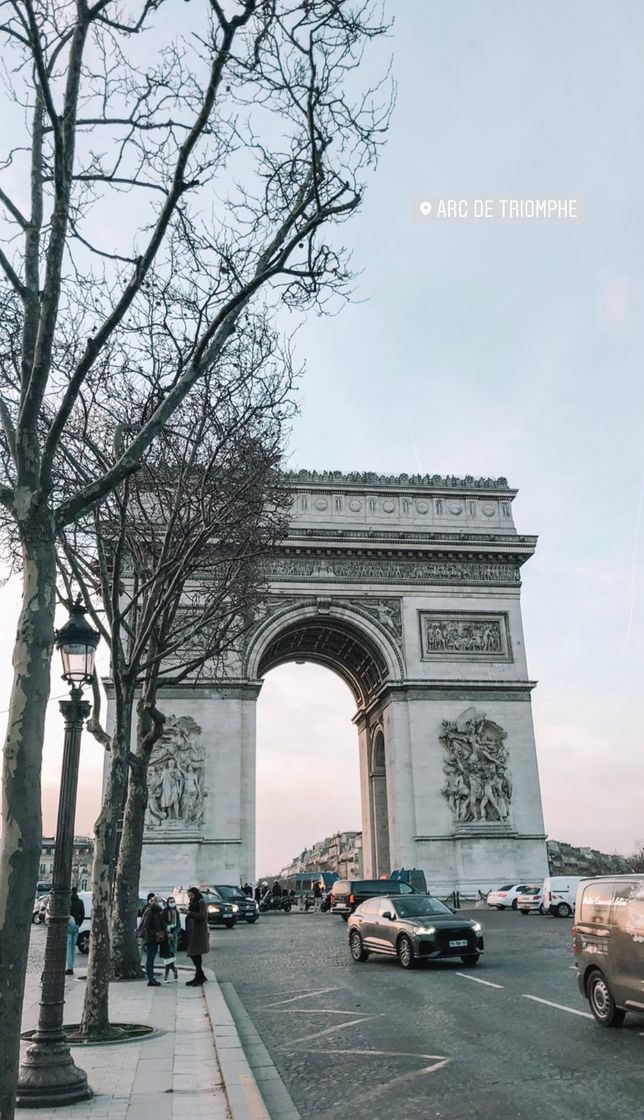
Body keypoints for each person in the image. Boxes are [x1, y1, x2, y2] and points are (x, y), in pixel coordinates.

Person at [139, 894, 166, 987]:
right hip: (151, 938)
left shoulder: (155, 911)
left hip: (153, 938)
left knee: (151, 958)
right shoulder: (151, 911)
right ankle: (150, 979)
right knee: (150, 959)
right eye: (159, 901)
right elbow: (146, 925)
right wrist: (155, 933)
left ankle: (151, 978)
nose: (160, 903)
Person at [185, 887, 209, 986]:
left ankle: (199, 976)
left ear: (196, 894)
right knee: (194, 954)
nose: (190, 897)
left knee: (195, 953)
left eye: (191, 895)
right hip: (193, 932)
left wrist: (189, 913)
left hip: (198, 933)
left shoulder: (201, 902)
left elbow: (202, 916)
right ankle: (200, 975)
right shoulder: (193, 902)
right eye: (189, 895)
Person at [160, 897, 181, 983]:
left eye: (174, 901)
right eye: (171, 902)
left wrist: (174, 933)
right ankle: (171, 972)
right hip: (165, 938)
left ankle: (168, 974)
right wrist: (167, 933)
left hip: (173, 938)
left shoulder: (176, 912)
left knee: (170, 956)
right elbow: (162, 924)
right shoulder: (164, 912)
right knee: (168, 957)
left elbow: (178, 925)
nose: (173, 903)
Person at [65, 888, 85, 976]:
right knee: (72, 947)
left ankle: (69, 967)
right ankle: (71, 966)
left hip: (69, 925)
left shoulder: (69, 902)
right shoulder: (80, 902)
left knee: (69, 947)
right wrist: (78, 924)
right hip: (76, 925)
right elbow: (83, 914)